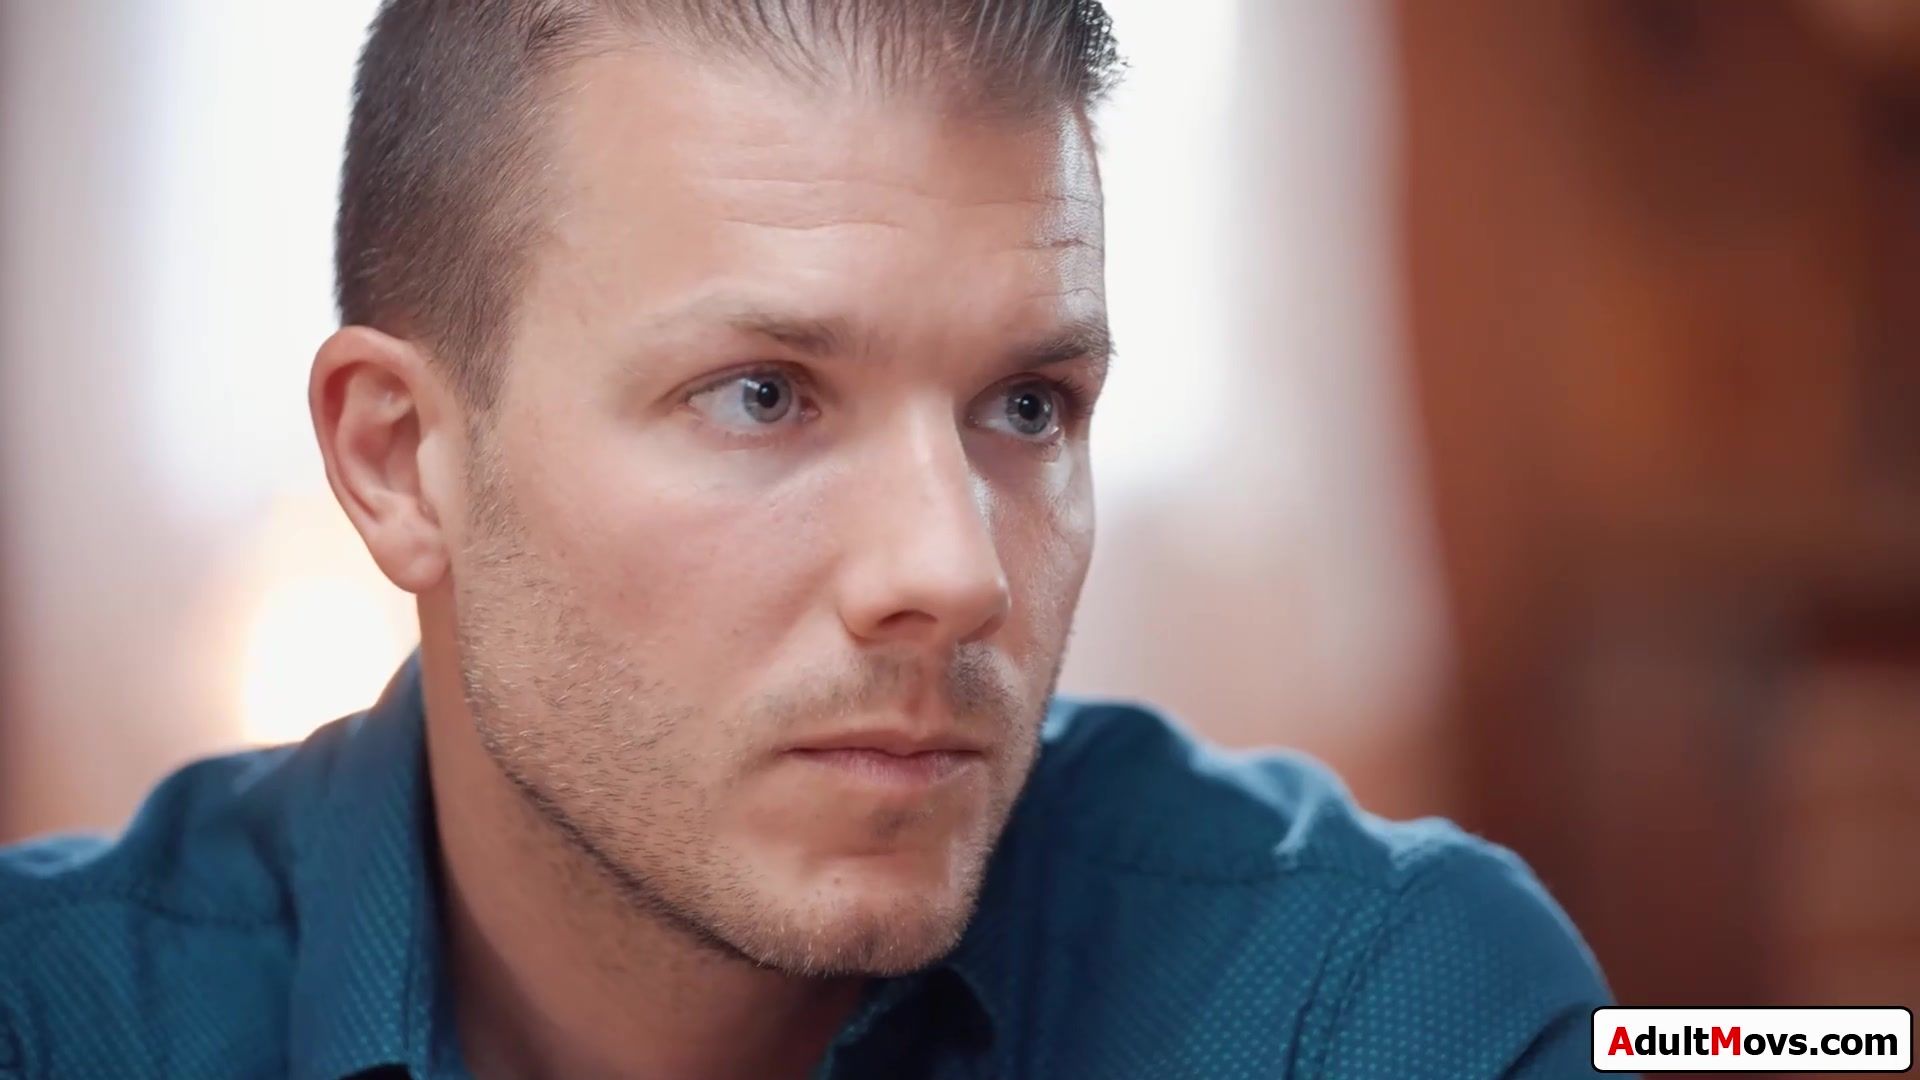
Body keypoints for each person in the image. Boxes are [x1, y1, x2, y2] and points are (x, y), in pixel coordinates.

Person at [0, 2, 1615, 1077]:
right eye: (762, 397)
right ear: (402, 461)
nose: (955, 574)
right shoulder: (51, 1021)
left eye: (1028, 406)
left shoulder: (1381, 1007)